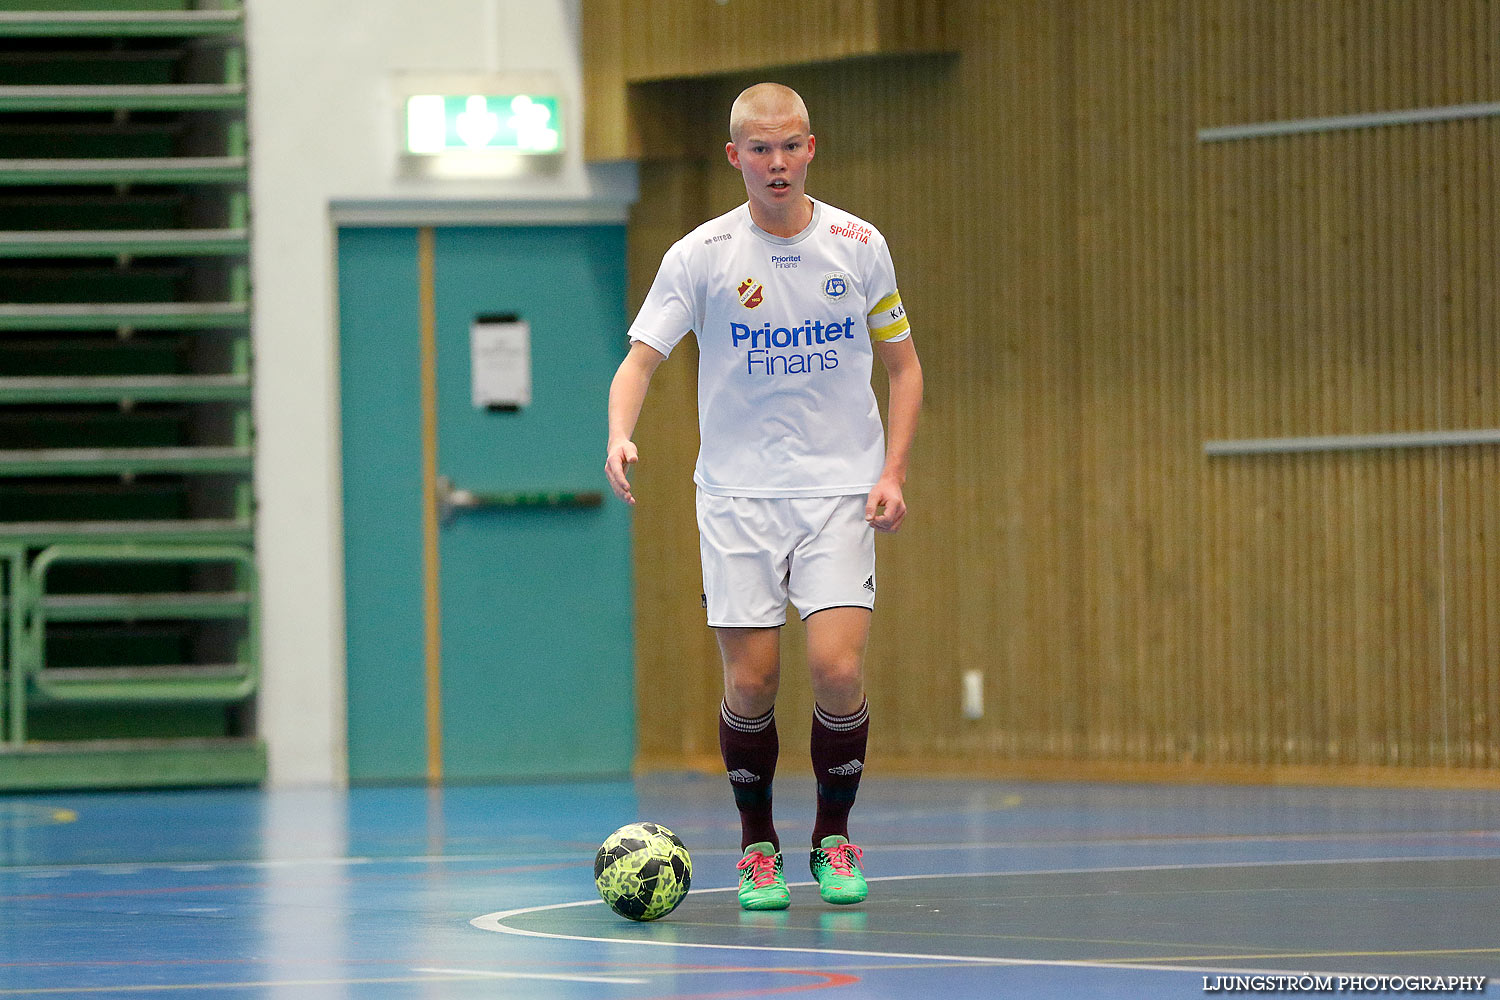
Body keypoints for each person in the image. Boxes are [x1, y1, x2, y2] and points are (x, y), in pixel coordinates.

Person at [605, 83, 922, 910]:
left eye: (789, 147)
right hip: (738, 499)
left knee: (834, 667)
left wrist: (890, 472)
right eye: (759, 149)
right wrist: (620, 433)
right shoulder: (701, 256)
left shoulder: (858, 245)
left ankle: (834, 836)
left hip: (838, 493)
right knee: (752, 684)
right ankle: (757, 848)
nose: (776, 163)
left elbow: (904, 368)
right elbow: (640, 359)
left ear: (810, 147)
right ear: (734, 156)